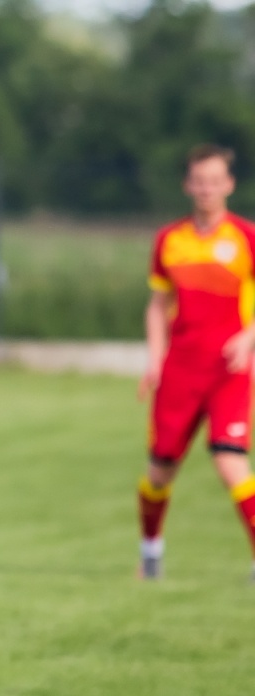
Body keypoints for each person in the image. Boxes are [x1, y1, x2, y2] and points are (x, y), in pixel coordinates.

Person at [136, 144, 255, 579]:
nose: (206, 188)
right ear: (188, 185)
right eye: (198, 181)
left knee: (230, 462)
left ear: (229, 184)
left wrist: (249, 339)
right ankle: (150, 551)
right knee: (161, 469)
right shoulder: (170, 240)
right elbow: (156, 305)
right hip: (180, 370)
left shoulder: (246, 237)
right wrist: (154, 359)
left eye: (215, 180)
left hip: (229, 371)